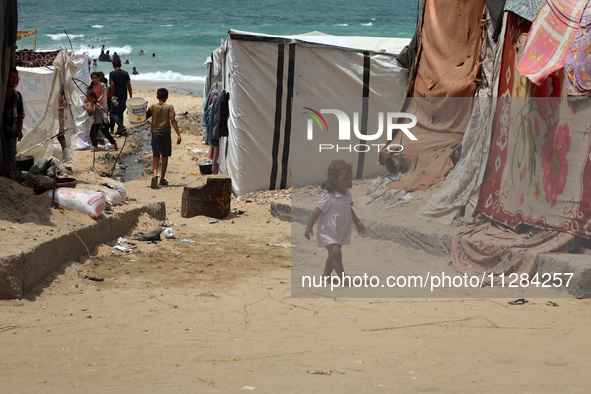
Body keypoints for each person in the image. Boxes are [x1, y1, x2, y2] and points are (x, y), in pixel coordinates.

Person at [304, 160, 366, 286]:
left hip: (341, 230)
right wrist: (309, 226)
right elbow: (317, 211)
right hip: (328, 230)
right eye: (345, 178)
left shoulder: (347, 195)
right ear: (334, 179)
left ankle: (326, 277)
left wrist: (357, 222)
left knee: (333, 255)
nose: (349, 182)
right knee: (336, 253)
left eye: (350, 178)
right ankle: (343, 278)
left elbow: (349, 209)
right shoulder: (328, 197)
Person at [146, 88, 181, 188]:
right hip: (166, 133)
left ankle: (154, 174)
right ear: (167, 97)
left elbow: (144, 117)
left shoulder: (152, 106)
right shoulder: (169, 107)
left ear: (157, 97)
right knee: (165, 156)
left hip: (155, 133)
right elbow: (173, 120)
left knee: (156, 156)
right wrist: (178, 134)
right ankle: (161, 179)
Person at [2, 67, 25, 179]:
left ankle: (11, 176)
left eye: (17, 77)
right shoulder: (2, 95)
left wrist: (19, 131)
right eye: (12, 77)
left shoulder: (17, 96)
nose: (15, 80)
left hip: (12, 132)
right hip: (1, 132)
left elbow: (21, 115)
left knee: (11, 153)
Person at [108, 57, 132, 135]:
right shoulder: (125, 73)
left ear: (113, 65)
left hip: (116, 96)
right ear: (121, 65)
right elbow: (128, 85)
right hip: (124, 96)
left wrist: (112, 95)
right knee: (120, 112)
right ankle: (120, 130)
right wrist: (131, 95)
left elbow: (112, 85)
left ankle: (121, 126)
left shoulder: (112, 73)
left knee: (112, 113)